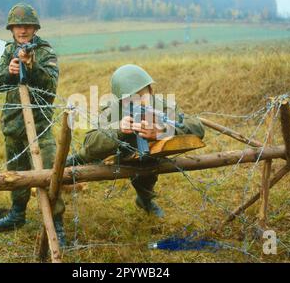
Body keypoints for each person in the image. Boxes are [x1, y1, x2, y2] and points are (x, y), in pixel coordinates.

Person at [68, 64, 205, 218]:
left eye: (141, 96)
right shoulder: (112, 111)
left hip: (145, 157)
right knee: (82, 158)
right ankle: (73, 161)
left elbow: (197, 128)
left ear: (151, 91)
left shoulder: (161, 106)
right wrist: (119, 130)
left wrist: (163, 131)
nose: (136, 103)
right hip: (113, 155)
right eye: (129, 99)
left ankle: (145, 199)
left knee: (147, 164)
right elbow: (91, 143)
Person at [0, 3, 66, 246]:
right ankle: (17, 214)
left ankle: (57, 224)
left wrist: (31, 65)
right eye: (17, 26)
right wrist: (10, 71)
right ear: (11, 29)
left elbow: (50, 86)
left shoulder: (45, 51)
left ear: (35, 28)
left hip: (40, 123)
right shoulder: (8, 50)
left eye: (27, 26)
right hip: (13, 123)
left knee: (49, 174)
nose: (22, 30)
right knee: (16, 173)